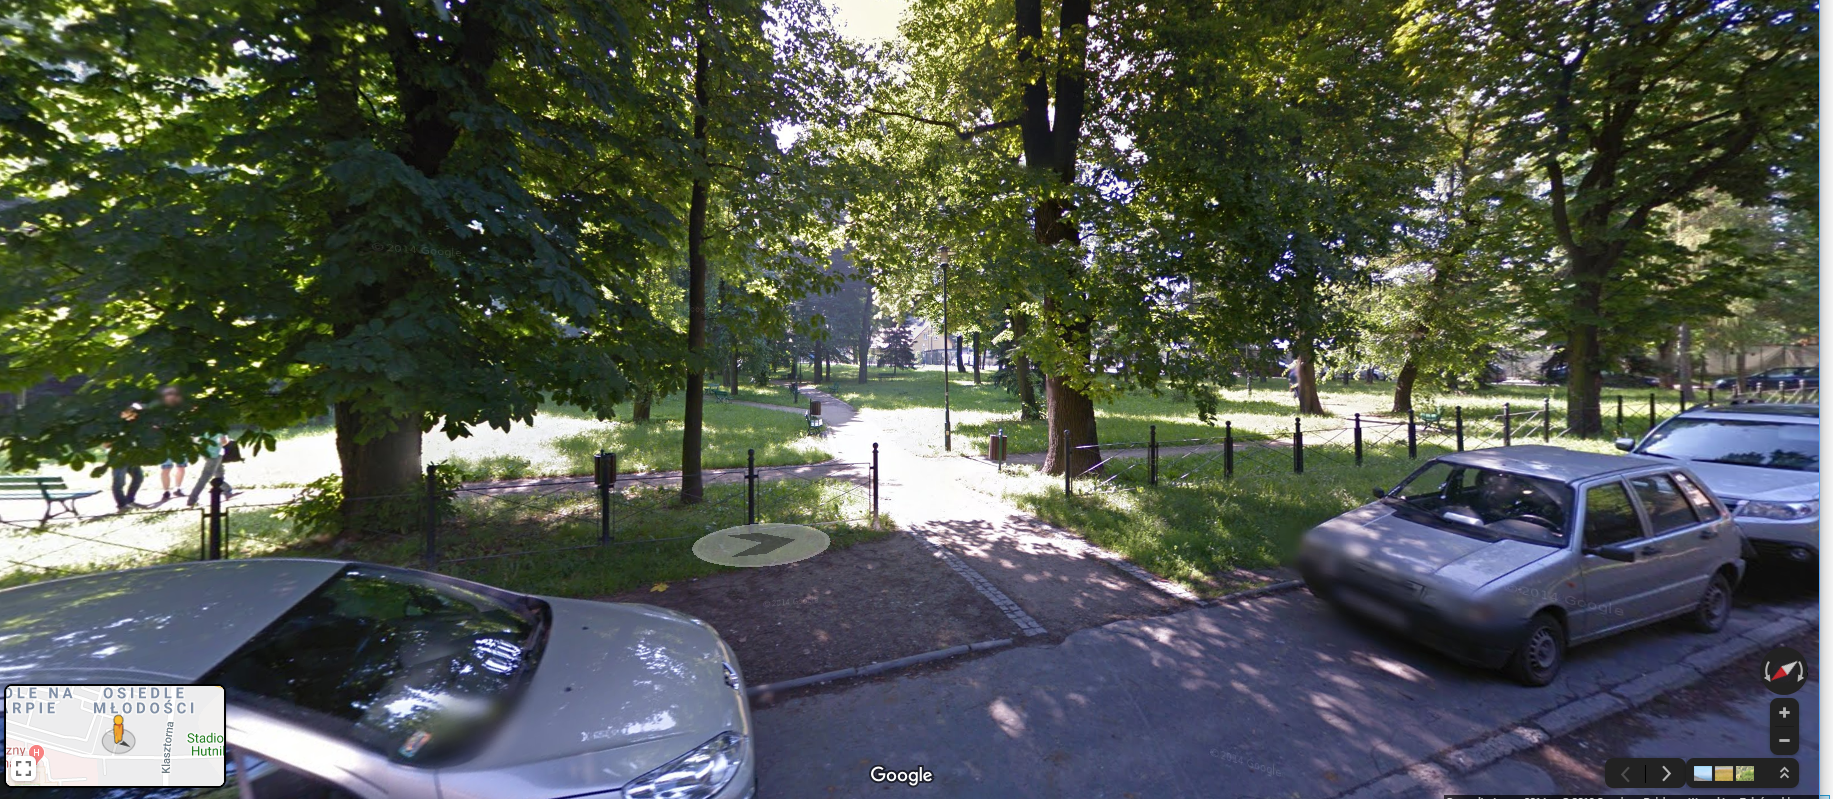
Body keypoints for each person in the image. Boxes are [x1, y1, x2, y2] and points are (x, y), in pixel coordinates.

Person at [109, 404, 146, 512]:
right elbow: (106, 444)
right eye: (132, 412)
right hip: (118, 457)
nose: (134, 415)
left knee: (138, 477)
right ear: (125, 412)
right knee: (119, 482)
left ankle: (130, 500)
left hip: (131, 456)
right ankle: (122, 505)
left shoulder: (131, 425)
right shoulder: (113, 424)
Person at [155, 386, 187, 501]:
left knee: (181, 467)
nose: (171, 396)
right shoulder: (159, 411)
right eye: (168, 394)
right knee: (166, 468)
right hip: (165, 444)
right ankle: (166, 491)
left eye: (173, 394)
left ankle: (178, 488)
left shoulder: (181, 410)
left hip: (180, 443)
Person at [186, 432, 233, 507]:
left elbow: (194, 439)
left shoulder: (202, 427)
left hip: (205, 453)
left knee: (219, 474)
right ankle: (192, 499)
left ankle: (228, 491)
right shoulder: (219, 428)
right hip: (216, 454)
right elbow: (224, 441)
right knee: (205, 477)